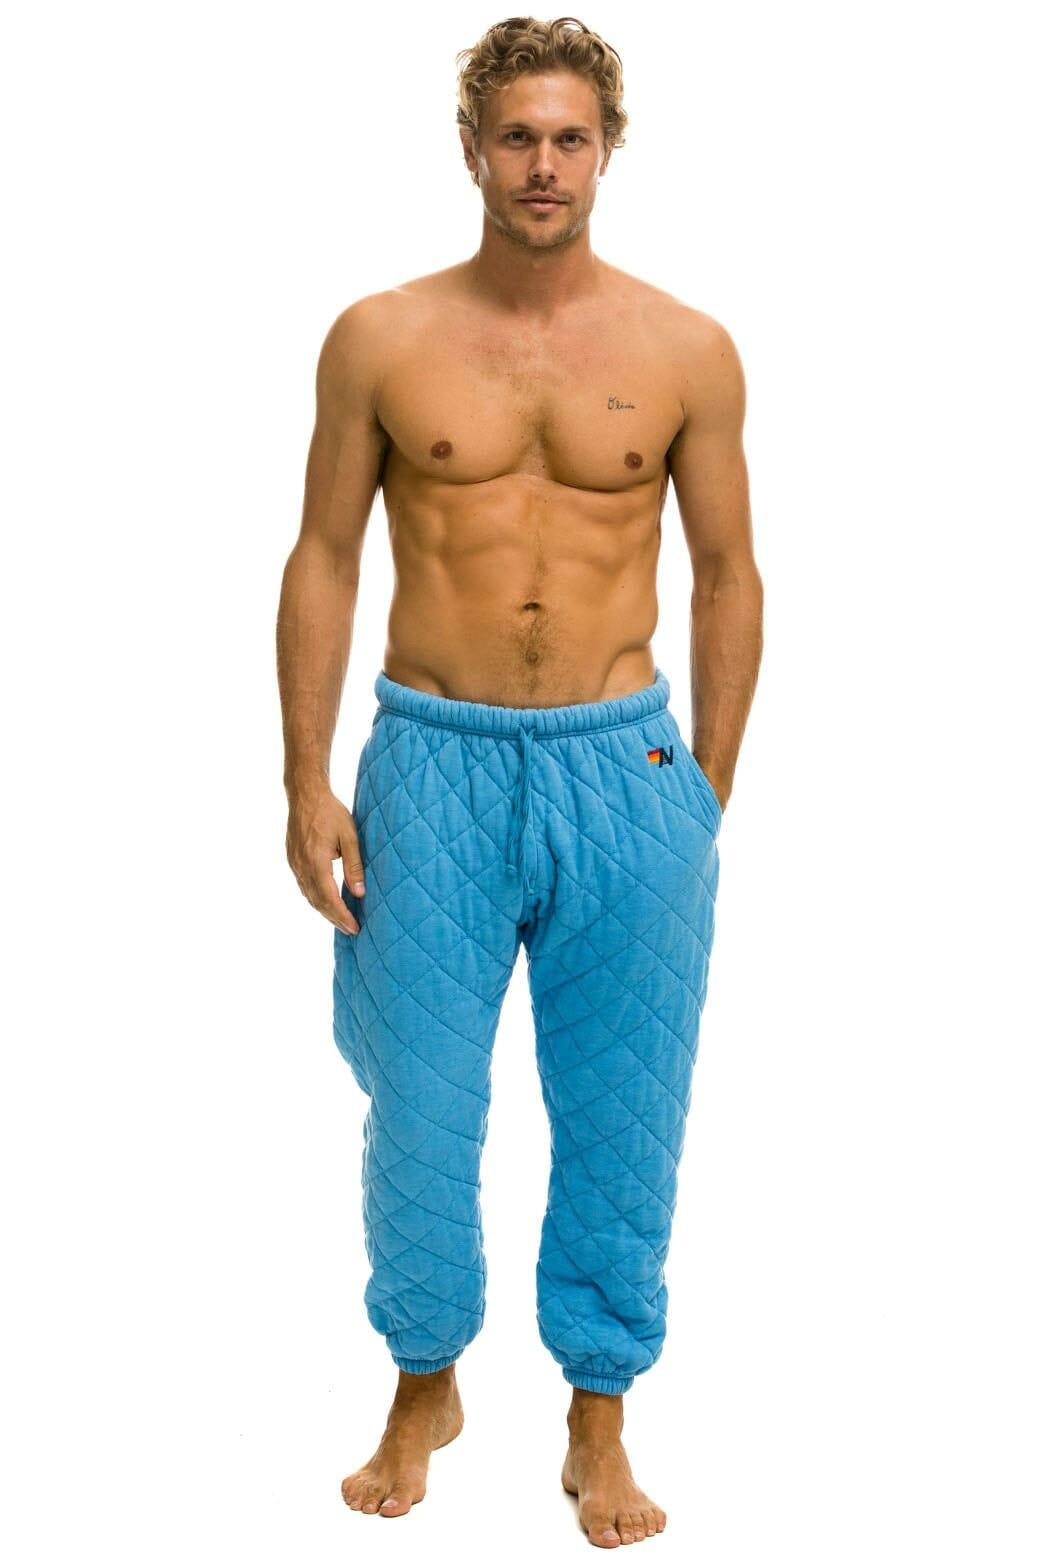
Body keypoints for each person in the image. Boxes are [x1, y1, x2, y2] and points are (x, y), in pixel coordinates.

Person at [277, 15, 763, 1549]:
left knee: (626, 1107)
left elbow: (730, 573)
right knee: (418, 1102)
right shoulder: (381, 337)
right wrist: (305, 779)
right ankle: (424, 1379)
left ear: (607, 150)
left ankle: (599, 1415)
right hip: (432, 762)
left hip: (627, 769)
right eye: (516, 138)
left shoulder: (687, 349)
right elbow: (324, 555)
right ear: (471, 149)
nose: (542, 165)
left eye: (569, 139)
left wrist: (702, 792)